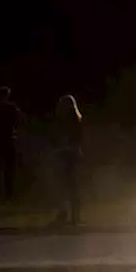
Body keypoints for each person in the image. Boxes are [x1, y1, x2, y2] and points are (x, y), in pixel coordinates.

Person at [51, 94, 83, 226]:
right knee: (65, 186)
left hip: (71, 156)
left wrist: (64, 148)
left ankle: (72, 216)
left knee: (70, 186)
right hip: (66, 155)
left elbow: (75, 141)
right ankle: (66, 214)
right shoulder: (65, 122)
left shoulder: (74, 122)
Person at [0, 87, 23, 201]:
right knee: (9, 167)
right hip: (8, 139)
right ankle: (8, 192)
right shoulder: (12, 107)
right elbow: (18, 121)